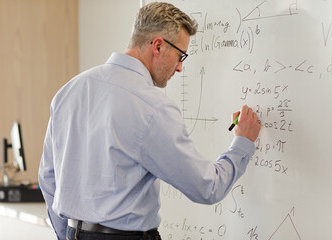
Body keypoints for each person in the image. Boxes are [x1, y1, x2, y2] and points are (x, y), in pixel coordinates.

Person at [38, 2, 261, 240]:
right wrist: (243, 142)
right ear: (158, 46)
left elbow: (47, 177)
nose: (180, 68)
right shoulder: (152, 107)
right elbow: (207, 187)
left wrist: (68, 235)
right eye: (180, 55)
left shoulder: (70, 90)